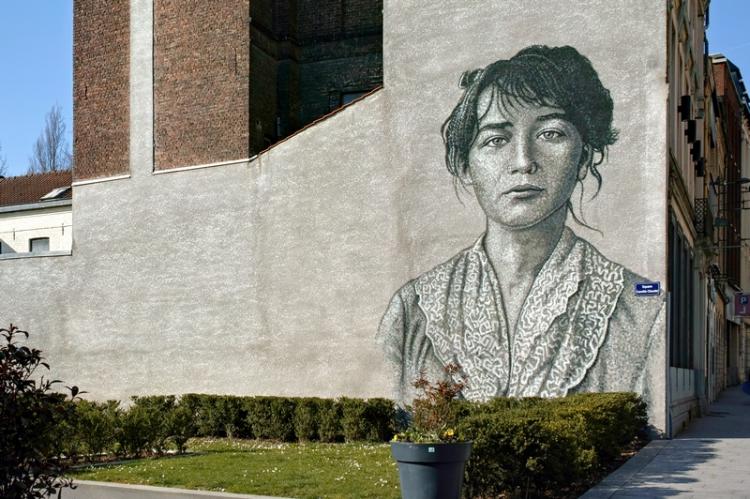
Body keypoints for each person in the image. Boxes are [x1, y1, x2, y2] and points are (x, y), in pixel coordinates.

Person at [378, 45, 665, 416]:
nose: (523, 162)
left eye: (550, 134)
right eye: (496, 139)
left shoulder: (641, 310)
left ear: (584, 156)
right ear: (465, 166)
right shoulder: (412, 309)